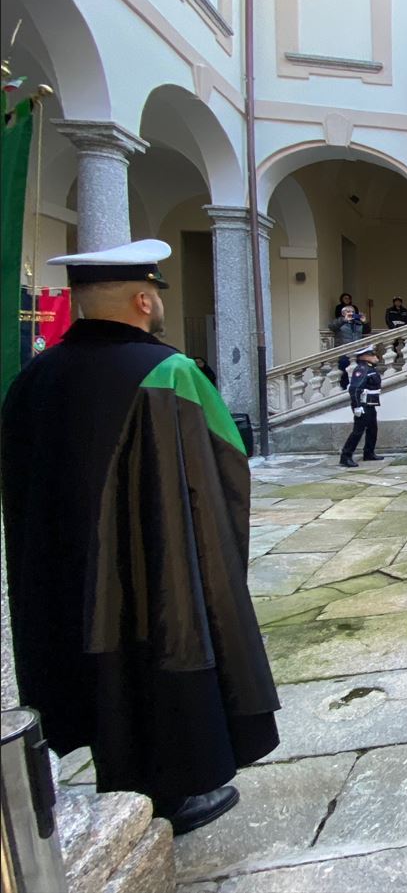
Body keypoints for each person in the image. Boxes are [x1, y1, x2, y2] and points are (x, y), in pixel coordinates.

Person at [0, 239, 279, 836]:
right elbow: (226, 461)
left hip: (58, 582)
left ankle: (110, 770)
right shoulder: (169, 373)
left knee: (91, 671)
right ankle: (168, 793)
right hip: (148, 566)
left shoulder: (32, 378)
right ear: (144, 298)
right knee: (153, 651)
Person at [339, 344, 383, 467]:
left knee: (372, 429)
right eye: (372, 355)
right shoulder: (362, 369)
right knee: (357, 432)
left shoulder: (369, 368)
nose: (375, 357)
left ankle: (369, 453)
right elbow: (355, 389)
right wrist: (357, 406)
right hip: (363, 405)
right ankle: (346, 456)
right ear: (365, 357)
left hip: (370, 404)